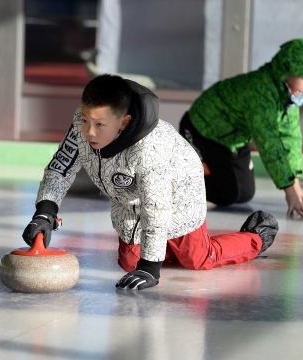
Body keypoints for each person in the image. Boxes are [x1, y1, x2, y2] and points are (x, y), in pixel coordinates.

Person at [22, 74, 278, 290]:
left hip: (179, 195)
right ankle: (160, 246)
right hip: (129, 199)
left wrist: (150, 267)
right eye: (85, 120)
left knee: (197, 259)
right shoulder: (85, 122)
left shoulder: (149, 150)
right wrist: (45, 212)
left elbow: (157, 207)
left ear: (124, 122)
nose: (89, 131)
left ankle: (255, 237)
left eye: (99, 124)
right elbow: (61, 166)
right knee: (129, 264)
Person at [179, 38, 303, 219]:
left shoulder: (288, 95)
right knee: (227, 193)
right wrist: (289, 191)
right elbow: (269, 142)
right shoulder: (260, 91)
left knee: (244, 193)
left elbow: (290, 138)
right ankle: (176, 183)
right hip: (202, 129)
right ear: (287, 70)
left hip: (234, 138)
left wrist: (295, 183)